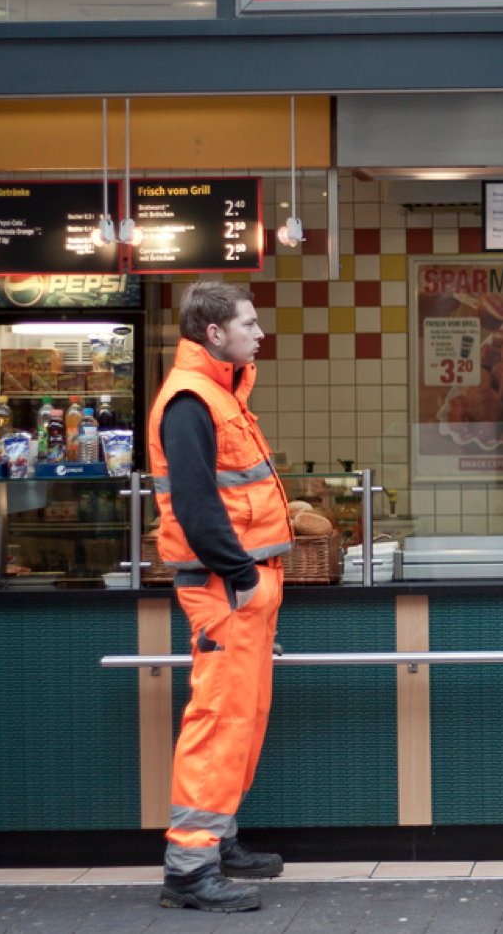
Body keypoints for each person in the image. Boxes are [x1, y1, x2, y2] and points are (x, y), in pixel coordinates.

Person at [148, 283, 292, 913]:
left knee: (245, 717)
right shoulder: (190, 400)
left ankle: (220, 839)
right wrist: (242, 576)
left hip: (241, 586)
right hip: (226, 587)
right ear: (214, 332)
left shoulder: (220, 392)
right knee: (218, 721)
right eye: (249, 323)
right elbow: (197, 505)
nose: (260, 333)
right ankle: (189, 867)